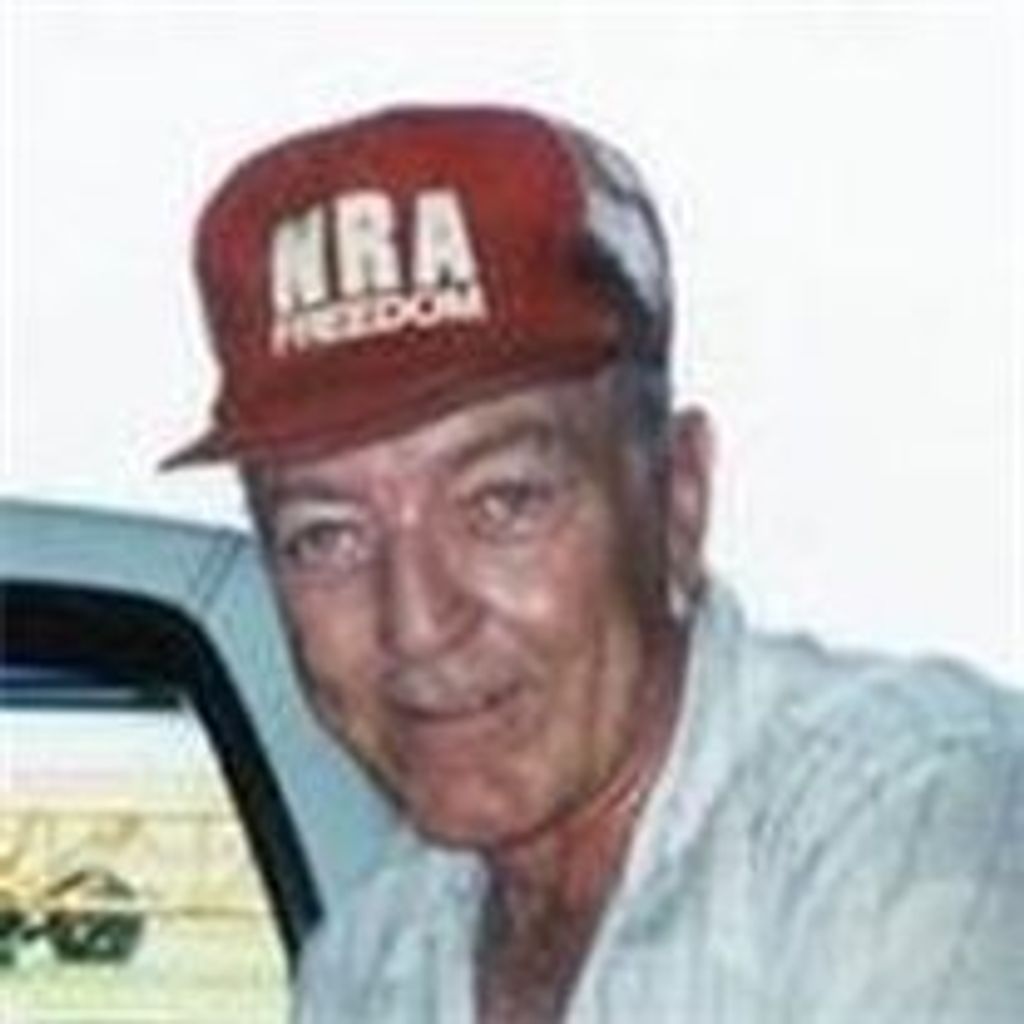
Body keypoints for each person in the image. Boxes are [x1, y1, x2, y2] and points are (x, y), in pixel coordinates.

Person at [165, 106, 1024, 1023]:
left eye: (503, 502)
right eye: (325, 536)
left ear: (678, 500)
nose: (416, 624)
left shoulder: (908, 809)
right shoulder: (369, 967)